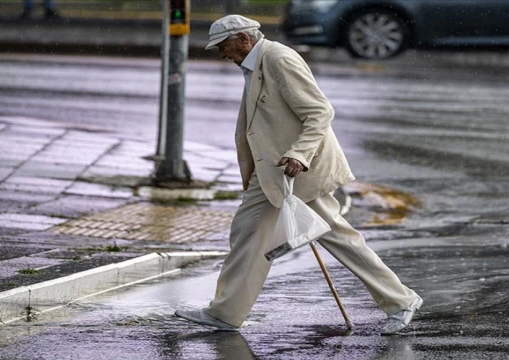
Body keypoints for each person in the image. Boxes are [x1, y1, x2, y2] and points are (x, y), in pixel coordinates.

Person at [174, 15, 422, 335]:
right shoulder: (255, 63)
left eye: (224, 47)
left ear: (243, 39)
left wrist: (299, 154)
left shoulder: (279, 58)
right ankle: (226, 312)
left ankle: (401, 301)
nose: (223, 54)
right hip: (271, 172)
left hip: (299, 171)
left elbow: (319, 112)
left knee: (339, 239)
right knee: (247, 234)